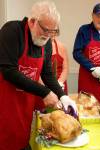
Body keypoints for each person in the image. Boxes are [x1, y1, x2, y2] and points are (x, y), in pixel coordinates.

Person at [0, 1, 77, 150]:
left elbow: (47, 73)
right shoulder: (12, 31)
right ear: (32, 21)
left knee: (22, 137)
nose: (48, 36)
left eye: (52, 31)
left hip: (25, 103)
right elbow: (9, 71)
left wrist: (62, 96)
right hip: (5, 102)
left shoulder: (45, 42)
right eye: (45, 30)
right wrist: (45, 92)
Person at [39, 28, 69, 94]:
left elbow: (65, 69)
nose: (52, 34)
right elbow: (37, 71)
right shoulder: (38, 46)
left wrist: (59, 83)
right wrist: (44, 87)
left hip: (60, 84)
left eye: (54, 31)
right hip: (43, 86)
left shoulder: (62, 47)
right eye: (50, 32)